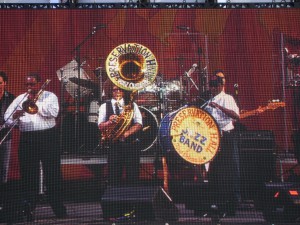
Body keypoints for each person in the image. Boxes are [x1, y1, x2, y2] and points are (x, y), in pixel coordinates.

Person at [4, 72, 66, 221]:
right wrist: (14, 116)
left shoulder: (50, 96)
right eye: (27, 85)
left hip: (47, 137)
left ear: (39, 84)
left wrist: (35, 103)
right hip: (27, 138)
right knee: (28, 174)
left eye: (32, 84)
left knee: (52, 173)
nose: (29, 87)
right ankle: (29, 208)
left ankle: (58, 207)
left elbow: (54, 113)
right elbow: (6, 117)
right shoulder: (20, 98)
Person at [204, 70, 241, 216]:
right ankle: (216, 204)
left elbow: (236, 116)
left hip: (226, 137)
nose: (212, 88)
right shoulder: (208, 100)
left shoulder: (226, 98)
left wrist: (218, 107)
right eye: (210, 85)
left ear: (221, 85)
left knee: (229, 172)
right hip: (213, 139)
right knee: (215, 172)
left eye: (214, 84)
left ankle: (231, 206)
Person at [98, 84, 143, 186]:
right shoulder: (104, 106)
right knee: (114, 177)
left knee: (133, 177)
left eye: (120, 90)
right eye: (114, 90)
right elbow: (100, 126)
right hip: (114, 146)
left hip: (131, 145)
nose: (117, 92)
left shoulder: (132, 105)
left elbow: (139, 124)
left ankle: (133, 200)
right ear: (111, 92)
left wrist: (126, 133)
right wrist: (109, 122)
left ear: (123, 92)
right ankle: (115, 201)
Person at [0, 71, 15, 183]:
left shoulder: (11, 98)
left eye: (0, 83)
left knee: (3, 167)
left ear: (5, 83)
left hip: (5, 136)